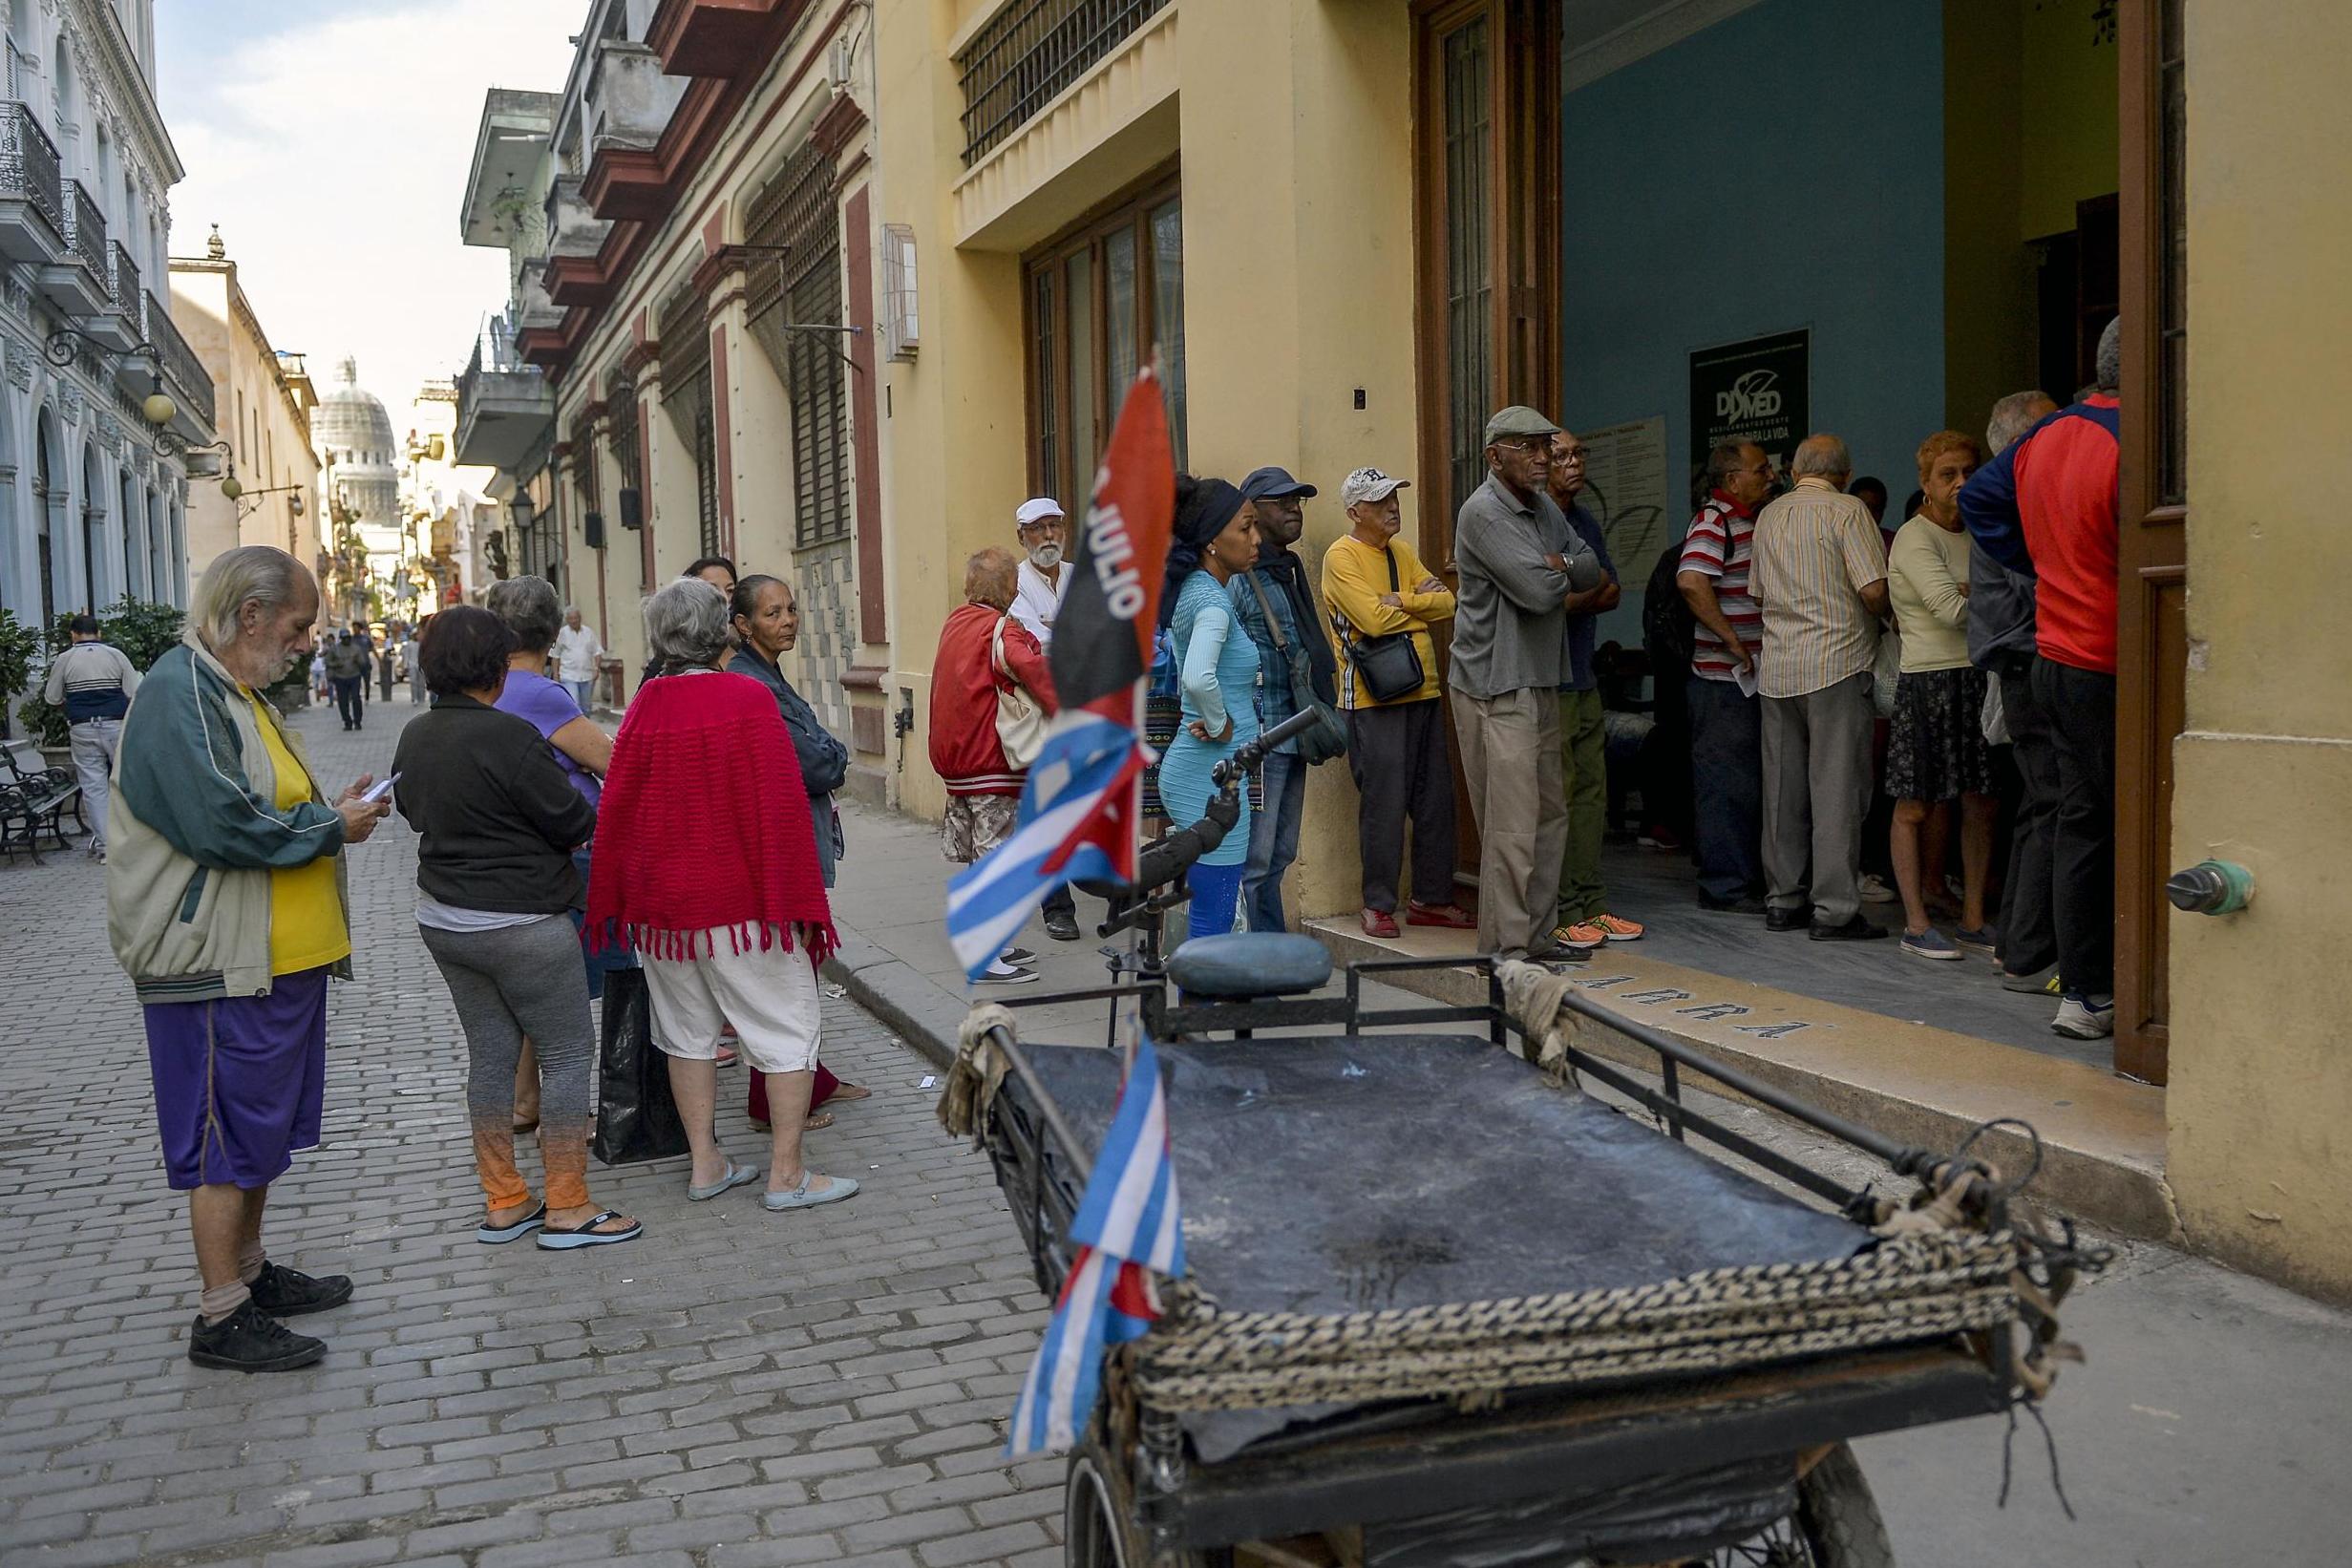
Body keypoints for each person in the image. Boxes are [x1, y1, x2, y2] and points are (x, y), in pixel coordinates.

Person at [105, 545, 389, 1372]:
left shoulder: (231, 691)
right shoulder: (179, 690)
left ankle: (252, 1275)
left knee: (260, 1131)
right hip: (216, 962)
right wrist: (334, 828)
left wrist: (328, 810)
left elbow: (257, 803)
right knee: (224, 1136)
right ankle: (222, 1312)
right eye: (299, 627)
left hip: (270, 963)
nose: (305, 643)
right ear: (251, 614)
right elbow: (221, 823)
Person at [586, 578, 854, 1211]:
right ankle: (786, 1174)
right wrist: (796, 904)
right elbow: (779, 810)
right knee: (787, 1028)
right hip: (741, 907)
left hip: (666, 913)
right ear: (723, 630)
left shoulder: (646, 703)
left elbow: (621, 808)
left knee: (686, 1034)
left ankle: (705, 1163)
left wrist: (626, 896)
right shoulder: (744, 697)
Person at [392, 607, 640, 1251]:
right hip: (522, 919)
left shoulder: (415, 735)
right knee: (564, 1052)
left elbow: (414, 812)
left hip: (444, 918)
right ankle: (567, 1202)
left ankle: (504, 1198)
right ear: (495, 670)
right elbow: (569, 822)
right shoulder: (509, 736)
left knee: (491, 1055)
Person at [1961, 320, 2122, 1039]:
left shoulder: (2047, 435)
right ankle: (2105, 988)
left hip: (2051, 654)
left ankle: (2081, 990)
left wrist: (2043, 565)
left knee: (2072, 820)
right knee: (2103, 821)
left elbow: (1977, 501)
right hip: (2103, 657)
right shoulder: (2133, 435)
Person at [1449, 406, 1602, 962]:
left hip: (1540, 678)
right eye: (1530, 448)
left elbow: (1592, 570)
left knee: (1549, 818)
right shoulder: (1484, 513)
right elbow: (1541, 595)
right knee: (1511, 828)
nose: (1544, 458)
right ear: (1495, 457)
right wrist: (1559, 570)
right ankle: (1507, 949)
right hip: (1494, 685)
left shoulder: (1541, 509)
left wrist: (1553, 561)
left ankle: (1538, 936)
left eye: (1547, 446)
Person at [730, 573, 874, 1128]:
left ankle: (811, 1078)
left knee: (801, 963)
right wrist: (833, 757)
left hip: (800, 834)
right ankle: (774, 1102)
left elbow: (819, 746)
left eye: (790, 609)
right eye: (772, 613)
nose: (787, 620)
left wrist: (829, 753)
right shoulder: (753, 683)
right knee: (788, 971)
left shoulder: (768, 674)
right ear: (743, 625)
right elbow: (817, 761)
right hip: (784, 843)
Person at [484, 576, 619, 1134]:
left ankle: (524, 1100)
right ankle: (567, 1111)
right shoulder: (538, 692)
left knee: (524, 994)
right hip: (567, 856)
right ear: (551, 629)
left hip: (513, 860)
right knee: (565, 995)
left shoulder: (488, 688)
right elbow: (612, 762)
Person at [1748, 433, 1891, 942]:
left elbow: (1759, 590)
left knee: (1782, 790)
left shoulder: (1768, 516)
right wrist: (1893, 616)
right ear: (1846, 475)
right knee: (1835, 791)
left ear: (1793, 473)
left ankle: (1783, 900)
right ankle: (1834, 910)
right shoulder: (1849, 512)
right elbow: (1873, 589)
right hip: (1836, 662)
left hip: (1780, 667)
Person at [1322, 466, 1470, 937]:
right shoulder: (1340, 557)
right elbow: (1372, 620)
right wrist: (1413, 603)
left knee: (1434, 800)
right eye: (1380, 500)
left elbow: (1448, 603)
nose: (1392, 507)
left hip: (1423, 689)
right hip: (1373, 698)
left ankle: (1431, 898)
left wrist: (1398, 600)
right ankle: (1378, 902)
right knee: (1383, 803)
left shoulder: (1401, 552)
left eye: (1394, 497)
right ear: (1354, 511)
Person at [1886, 432, 1999, 962]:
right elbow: (1951, 611)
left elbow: (1972, 600)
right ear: (1926, 485)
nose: (1961, 483)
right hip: (1928, 680)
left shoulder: (1980, 531)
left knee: (1980, 800)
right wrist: (1991, 593)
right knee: (1915, 805)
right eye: (1948, 475)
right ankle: (1915, 923)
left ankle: (1974, 919)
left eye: (1969, 472)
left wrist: (1978, 593)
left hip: (1976, 675)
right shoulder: (1914, 538)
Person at [928, 547, 1059, 982]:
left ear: (968, 588)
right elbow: (1033, 671)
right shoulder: (1001, 629)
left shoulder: (955, 622)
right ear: (1011, 588)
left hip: (958, 762)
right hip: (992, 760)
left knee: (981, 858)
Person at [1971, 390, 2064, 993]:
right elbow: (2030, 583)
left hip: (2020, 659)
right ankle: (2026, 951)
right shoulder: (2008, 496)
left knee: (2041, 803)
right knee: (2054, 801)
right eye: (2051, 428)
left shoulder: (2011, 494)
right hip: (2026, 659)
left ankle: (2017, 945)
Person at [1231, 465, 1343, 934]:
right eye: (1282, 502)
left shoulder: (1288, 570)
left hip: (1295, 729)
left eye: (1298, 501)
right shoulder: (1243, 577)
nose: (1295, 509)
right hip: (1263, 735)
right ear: (1253, 512)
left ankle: (1271, 948)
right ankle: (1261, 956)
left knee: (1281, 852)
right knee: (1256, 859)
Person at [1156, 477, 1263, 941]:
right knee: (1213, 918)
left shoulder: (1200, 589)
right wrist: (1220, 725)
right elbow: (1198, 676)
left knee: (1210, 914)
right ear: (1213, 540)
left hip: (1208, 775)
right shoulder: (1211, 602)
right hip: (1207, 777)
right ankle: (1201, 1008)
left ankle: (1201, 1004)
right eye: (1246, 528)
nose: (1256, 538)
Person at [1545, 431, 1642, 946]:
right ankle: (1561, 910)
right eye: (1561, 456)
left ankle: (1592, 904)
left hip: (1584, 674)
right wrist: (1585, 592)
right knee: (1557, 797)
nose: (1574, 463)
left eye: (1579, 454)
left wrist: (1580, 592)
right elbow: (1545, 603)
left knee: (1592, 794)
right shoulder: (1534, 520)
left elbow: (1612, 588)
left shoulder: (1582, 521)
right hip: (1549, 682)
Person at [1677, 442, 1775, 913]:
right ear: (1733, 479)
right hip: (1722, 681)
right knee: (1726, 786)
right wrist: (1733, 641)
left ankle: (1742, 879)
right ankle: (1725, 887)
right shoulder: (1715, 520)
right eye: (1761, 469)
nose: (1771, 475)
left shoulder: (1753, 521)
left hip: (1749, 681)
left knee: (1748, 784)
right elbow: (1692, 580)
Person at [1006, 498, 1082, 943]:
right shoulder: (1014, 584)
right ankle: (1058, 906)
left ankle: (1117, 893)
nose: (1048, 536)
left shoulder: (1079, 577)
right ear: (1022, 537)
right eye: (1038, 530)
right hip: (1041, 715)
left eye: (1054, 526)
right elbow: (1032, 650)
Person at [42, 613, 139, 859]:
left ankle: (106, 849)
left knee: (94, 788)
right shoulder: (116, 655)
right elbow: (134, 691)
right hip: (116, 725)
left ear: (73, 634)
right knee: (127, 782)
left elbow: (52, 697)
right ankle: (134, 842)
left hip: (82, 727)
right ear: (99, 633)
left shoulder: (65, 659)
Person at [641, 558, 738, 688]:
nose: (724, 598)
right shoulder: (668, 660)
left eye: (730, 590)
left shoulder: (746, 644)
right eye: (711, 589)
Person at [552, 605, 604, 714]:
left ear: (580, 618)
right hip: (568, 675)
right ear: (567, 620)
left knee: (586, 707)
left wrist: (596, 668)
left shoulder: (588, 632)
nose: (574, 621)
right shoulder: (562, 633)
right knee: (575, 704)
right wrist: (556, 676)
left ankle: (586, 729)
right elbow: (555, 655)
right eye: (571, 618)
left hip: (586, 675)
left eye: (576, 618)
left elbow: (597, 651)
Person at [323, 629, 368, 731]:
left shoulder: (356, 649)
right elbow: (327, 661)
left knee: (356, 698)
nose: (346, 640)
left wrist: (358, 661)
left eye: (348, 638)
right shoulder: (335, 649)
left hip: (354, 676)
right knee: (343, 701)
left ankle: (357, 721)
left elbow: (363, 662)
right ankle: (347, 721)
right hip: (340, 677)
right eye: (344, 638)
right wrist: (336, 664)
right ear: (341, 639)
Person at [403, 622, 427, 705]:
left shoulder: (422, 644)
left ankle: (421, 698)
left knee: (421, 682)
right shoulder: (409, 644)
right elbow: (406, 655)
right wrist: (405, 665)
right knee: (413, 682)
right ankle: (414, 698)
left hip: (421, 664)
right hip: (412, 664)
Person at [376, 625, 397, 703]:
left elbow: (390, 648)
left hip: (387, 657)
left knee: (387, 675)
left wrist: (388, 652)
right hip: (386, 657)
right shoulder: (386, 640)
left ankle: (387, 694)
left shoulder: (388, 640)